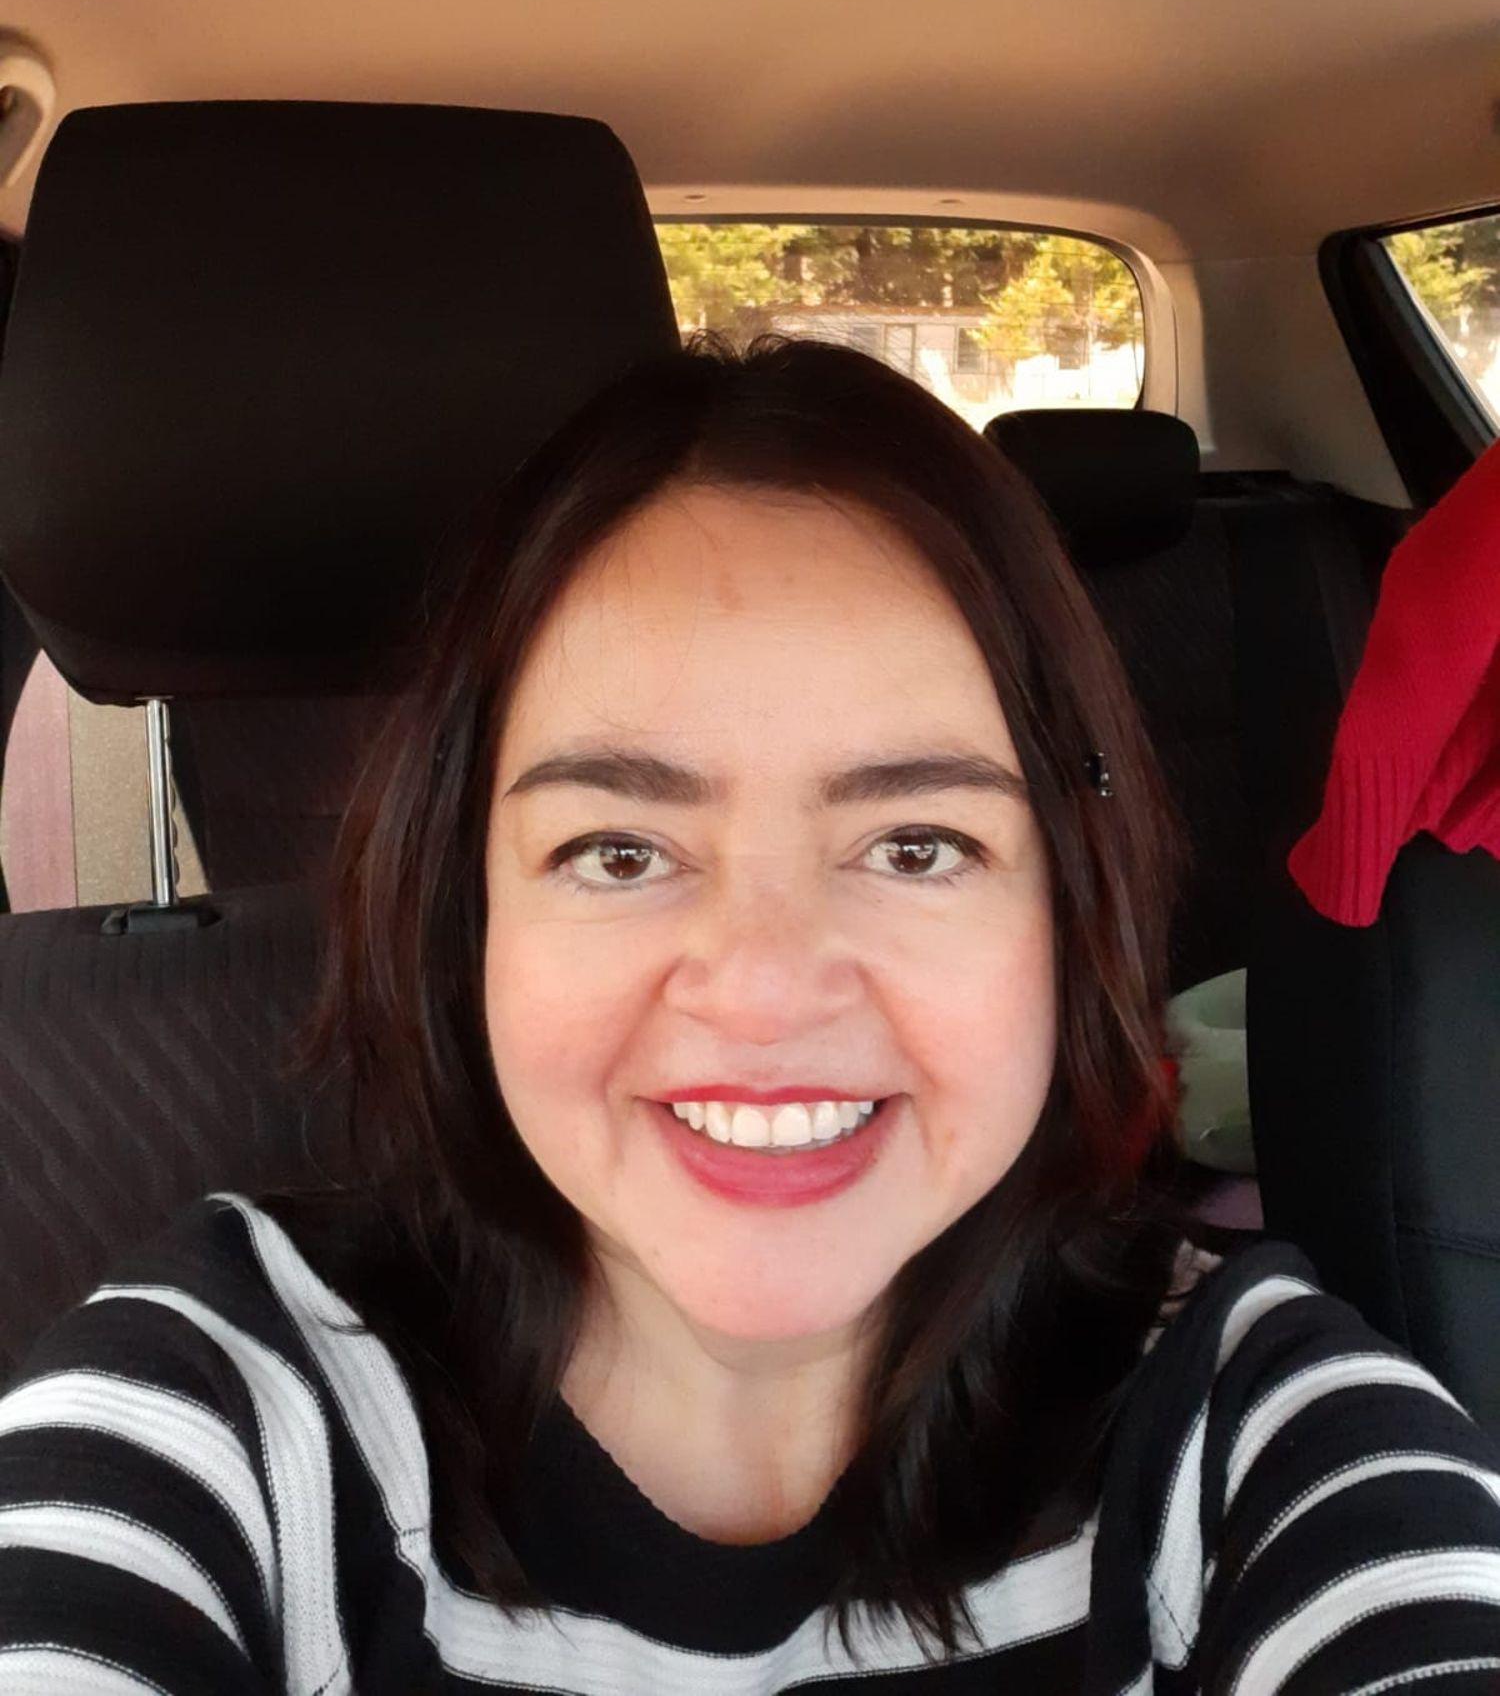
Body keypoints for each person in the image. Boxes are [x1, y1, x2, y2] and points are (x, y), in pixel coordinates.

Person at [1, 335, 1497, 1694]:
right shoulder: (218, 1409)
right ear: (466, 921)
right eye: (620, 852)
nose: (767, 990)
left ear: (1068, 908)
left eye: (916, 846)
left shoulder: (1251, 1432)